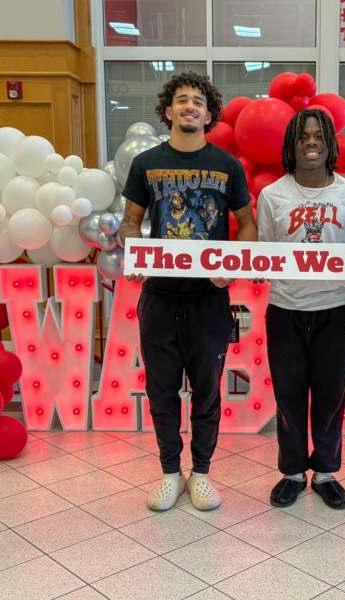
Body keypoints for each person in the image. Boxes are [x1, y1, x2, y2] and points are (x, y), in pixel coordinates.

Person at [119, 72, 257, 512]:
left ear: (209, 113)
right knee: (161, 391)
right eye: (182, 100)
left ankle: (201, 474)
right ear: (168, 110)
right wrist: (133, 252)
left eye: (198, 101)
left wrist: (232, 266)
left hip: (208, 299)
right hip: (159, 296)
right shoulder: (147, 164)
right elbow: (130, 222)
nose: (190, 107)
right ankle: (168, 473)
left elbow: (248, 225)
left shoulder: (227, 166)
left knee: (206, 391)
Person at [258, 109, 345, 510]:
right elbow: (265, 256)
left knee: (330, 396)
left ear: (331, 143)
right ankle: (292, 472)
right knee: (289, 396)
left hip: (335, 310)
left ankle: (325, 472)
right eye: (303, 136)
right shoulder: (272, 196)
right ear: (291, 144)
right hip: (285, 309)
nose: (311, 142)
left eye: (319, 136)